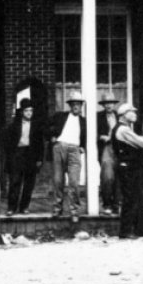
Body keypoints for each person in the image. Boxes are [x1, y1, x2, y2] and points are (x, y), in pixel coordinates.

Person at [112, 103, 143, 239]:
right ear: (123, 115)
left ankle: (140, 229)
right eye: (131, 112)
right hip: (127, 168)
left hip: (132, 167)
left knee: (138, 198)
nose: (134, 114)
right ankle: (125, 231)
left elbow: (136, 143)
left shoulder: (126, 128)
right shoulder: (123, 129)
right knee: (130, 199)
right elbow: (140, 143)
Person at [48, 92, 87, 223]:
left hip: (75, 149)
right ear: (70, 105)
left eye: (78, 104)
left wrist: (83, 146)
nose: (76, 106)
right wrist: (51, 137)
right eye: (74, 104)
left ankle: (74, 210)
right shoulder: (60, 116)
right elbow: (46, 127)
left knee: (74, 181)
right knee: (58, 180)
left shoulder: (83, 121)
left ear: (81, 106)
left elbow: (88, 136)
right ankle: (57, 208)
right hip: (60, 147)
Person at [3, 99, 44, 215]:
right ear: (21, 112)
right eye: (26, 111)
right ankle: (11, 208)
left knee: (29, 183)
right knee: (15, 181)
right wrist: (10, 156)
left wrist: (40, 159)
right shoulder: (14, 126)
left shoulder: (36, 126)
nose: (29, 113)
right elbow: (7, 143)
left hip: (31, 155)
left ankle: (24, 207)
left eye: (31, 111)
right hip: (18, 154)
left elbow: (40, 144)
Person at [96, 95, 120, 215]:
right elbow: (91, 132)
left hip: (119, 149)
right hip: (106, 148)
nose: (109, 105)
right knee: (107, 177)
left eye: (111, 102)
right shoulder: (97, 117)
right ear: (103, 105)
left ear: (114, 104)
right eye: (106, 103)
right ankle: (107, 203)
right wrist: (101, 136)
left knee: (119, 177)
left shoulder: (119, 116)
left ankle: (116, 204)